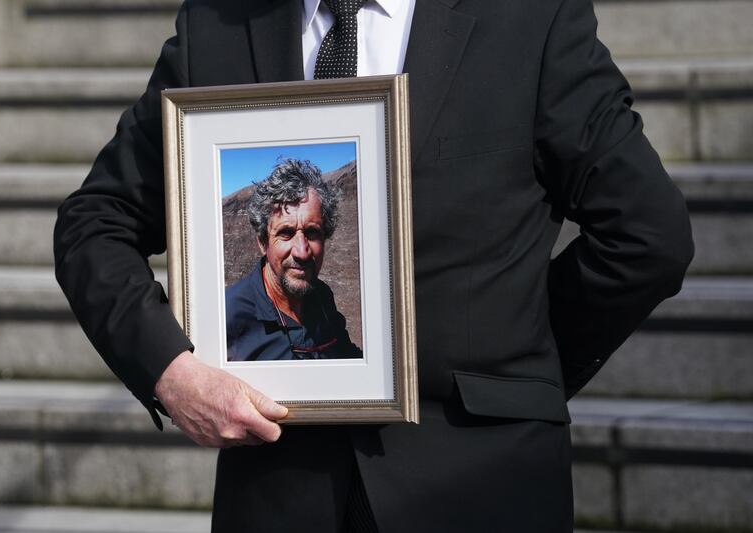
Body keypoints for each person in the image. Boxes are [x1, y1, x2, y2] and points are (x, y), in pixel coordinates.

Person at [53, 0, 694, 531]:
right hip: (279, 493)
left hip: (480, 483)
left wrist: (524, 354)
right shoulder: (218, 23)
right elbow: (94, 224)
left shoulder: (530, 16)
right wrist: (170, 371)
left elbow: (649, 235)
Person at [225, 158, 362, 361]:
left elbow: (348, 357)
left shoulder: (323, 297)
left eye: (312, 232)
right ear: (263, 243)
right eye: (286, 233)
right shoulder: (229, 315)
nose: (302, 251)